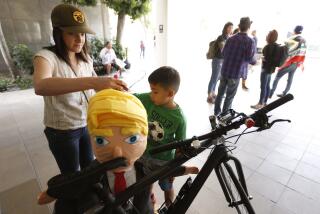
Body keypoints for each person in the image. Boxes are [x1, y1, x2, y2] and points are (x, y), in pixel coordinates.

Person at [33, 4, 128, 175]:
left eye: (82, 33)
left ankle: (90, 200)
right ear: (58, 33)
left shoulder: (86, 59)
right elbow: (41, 85)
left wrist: (113, 89)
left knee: (90, 168)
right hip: (62, 131)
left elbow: (94, 89)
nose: (79, 39)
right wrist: (93, 82)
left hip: (87, 124)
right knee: (72, 175)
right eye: (72, 33)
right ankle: (76, 200)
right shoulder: (46, 57)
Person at [37, 89, 152, 213]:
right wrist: (53, 192)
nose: (117, 155)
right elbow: (76, 181)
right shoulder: (96, 171)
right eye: (101, 140)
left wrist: (149, 198)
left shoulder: (144, 167)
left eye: (132, 139)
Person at [134, 66, 199, 208]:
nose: (151, 94)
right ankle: (149, 202)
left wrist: (175, 165)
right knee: (146, 183)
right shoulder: (148, 99)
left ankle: (170, 206)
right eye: (151, 90)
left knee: (166, 186)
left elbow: (180, 146)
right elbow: (131, 97)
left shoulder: (179, 118)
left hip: (164, 161)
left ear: (170, 93)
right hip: (143, 154)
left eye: (155, 91)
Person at [214, 17, 256, 116]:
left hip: (224, 71)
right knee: (229, 97)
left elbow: (223, 53)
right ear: (249, 27)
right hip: (235, 73)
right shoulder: (250, 41)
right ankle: (223, 116)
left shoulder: (230, 38)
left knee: (220, 94)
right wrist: (255, 61)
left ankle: (216, 112)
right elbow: (251, 60)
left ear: (239, 26)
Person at [269, 25, 307, 98]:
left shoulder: (294, 39)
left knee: (277, 77)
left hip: (289, 63)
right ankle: (284, 93)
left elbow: (288, 52)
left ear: (294, 30)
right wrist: (300, 63)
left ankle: (270, 93)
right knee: (290, 78)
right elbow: (303, 53)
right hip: (296, 63)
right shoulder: (304, 40)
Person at [251, 30, 279, 109]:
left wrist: (262, 58)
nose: (266, 36)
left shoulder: (268, 46)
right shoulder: (276, 46)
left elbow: (266, 58)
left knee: (263, 86)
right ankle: (265, 102)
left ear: (270, 37)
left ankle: (260, 103)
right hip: (271, 69)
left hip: (265, 69)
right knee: (267, 86)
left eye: (268, 35)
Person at [207, 22, 233, 104]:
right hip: (217, 60)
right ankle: (209, 96)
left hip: (222, 60)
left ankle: (213, 92)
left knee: (218, 77)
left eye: (231, 28)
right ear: (225, 28)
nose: (230, 29)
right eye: (229, 27)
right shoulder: (221, 37)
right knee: (214, 77)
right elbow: (223, 49)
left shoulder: (228, 37)